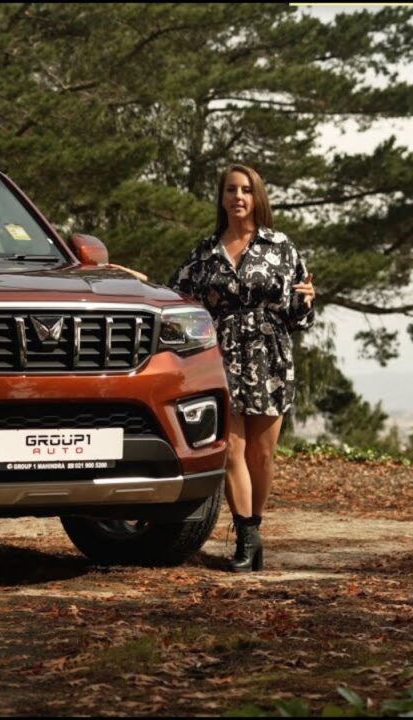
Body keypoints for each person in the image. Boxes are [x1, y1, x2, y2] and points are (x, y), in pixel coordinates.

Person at [109, 164, 316, 572]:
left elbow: (300, 316)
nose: (238, 197)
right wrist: (134, 280)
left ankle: (255, 528)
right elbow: (174, 295)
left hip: (270, 356)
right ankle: (246, 537)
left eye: (246, 190)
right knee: (231, 450)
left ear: (256, 197)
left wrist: (307, 300)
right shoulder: (206, 252)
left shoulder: (280, 247)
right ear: (221, 198)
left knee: (262, 454)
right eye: (230, 190)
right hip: (221, 357)